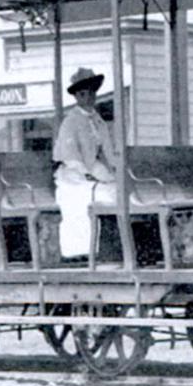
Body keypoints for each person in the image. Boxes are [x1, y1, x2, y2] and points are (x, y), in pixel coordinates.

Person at [51, 67, 118, 259]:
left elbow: (108, 151)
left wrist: (114, 170)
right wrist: (90, 175)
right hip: (71, 175)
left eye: (91, 93)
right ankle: (80, 252)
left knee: (116, 189)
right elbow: (71, 157)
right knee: (89, 199)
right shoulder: (71, 122)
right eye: (83, 94)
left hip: (91, 169)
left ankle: (109, 249)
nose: (88, 97)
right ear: (76, 97)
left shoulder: (98, 121)